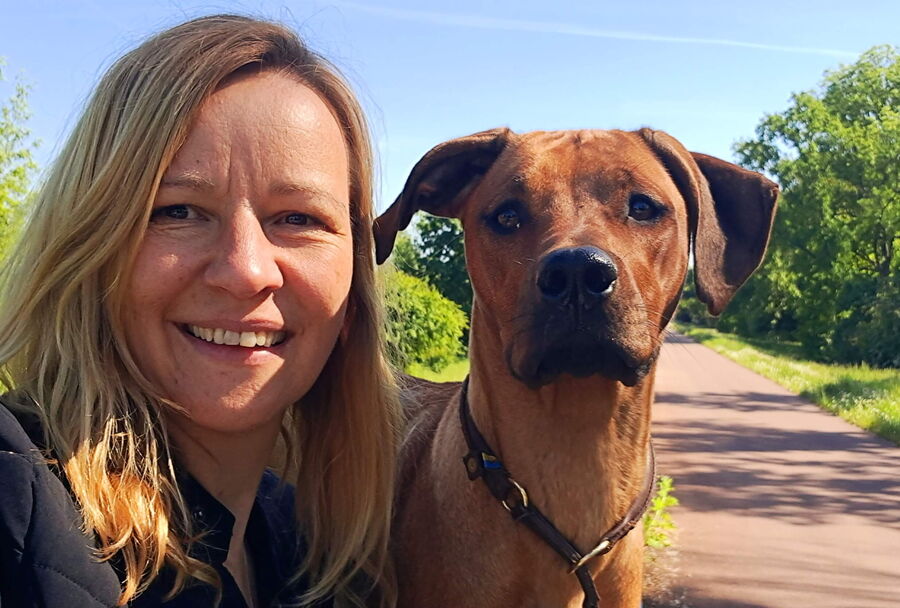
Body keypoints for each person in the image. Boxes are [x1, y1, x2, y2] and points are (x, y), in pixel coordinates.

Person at [0, 14, 400, 608]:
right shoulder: (13, 492)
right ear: (90, 244)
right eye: (178, 211)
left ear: (354, 284)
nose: (246, 270)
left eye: (298, 219)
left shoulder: (321, 558)